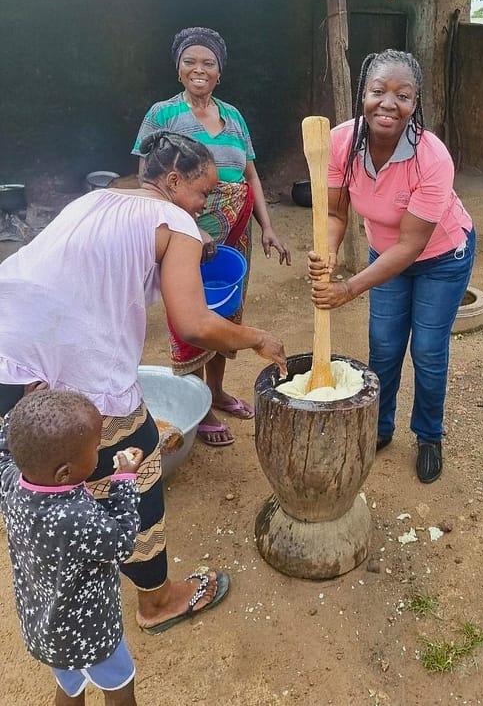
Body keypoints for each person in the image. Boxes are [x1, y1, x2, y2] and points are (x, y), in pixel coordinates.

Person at [0, 129, 287, 633]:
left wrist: (192, 244)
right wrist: (255, 337)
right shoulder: (175, 219)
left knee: (40, 463)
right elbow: (195, 323)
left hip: (10, 345)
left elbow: (116, 257)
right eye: (201, 193)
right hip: (65, 357)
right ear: (174, 181)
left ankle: (66, 568)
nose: (202, 206)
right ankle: (157, 602)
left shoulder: (101, 198)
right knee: (139, 458)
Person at [308, 50, 476, 484]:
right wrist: (327, 250)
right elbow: (335, 214)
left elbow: (411, 244)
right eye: (378, 91)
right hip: (386, 255)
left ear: (415, 103)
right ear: (363, 93)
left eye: (403, 95)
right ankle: (379, 429)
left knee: (426, 350)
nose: (388, 103)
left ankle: (428, 436)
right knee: (383, 346)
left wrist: (349, 289)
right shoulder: (340, 143)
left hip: (441, 258)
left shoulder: (432, 158)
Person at [132, 26, 291, 447]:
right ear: (178, 68)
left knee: (227, 314)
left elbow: (251, 174)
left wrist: (268, 227)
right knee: (191, 317)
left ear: (219, 72)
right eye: (190, 61)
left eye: (208, 63)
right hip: (185, 233)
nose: (198, 69)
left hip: (235, 235)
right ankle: (197, 404)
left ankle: (217, 392)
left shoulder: (233, 116)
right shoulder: (162, 115)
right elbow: (148, 180)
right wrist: (189, 224)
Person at [0, 389, 142, 706]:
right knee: (121, 692)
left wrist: (20, 413)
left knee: (70, 689)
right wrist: (124, 482)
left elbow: (3, 451)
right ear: (64, 472)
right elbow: (122, 543)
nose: (100, 450)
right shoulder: (77, 517)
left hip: (46, 627)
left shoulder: (11, 482)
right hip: (91, 634)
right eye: (95, 448)